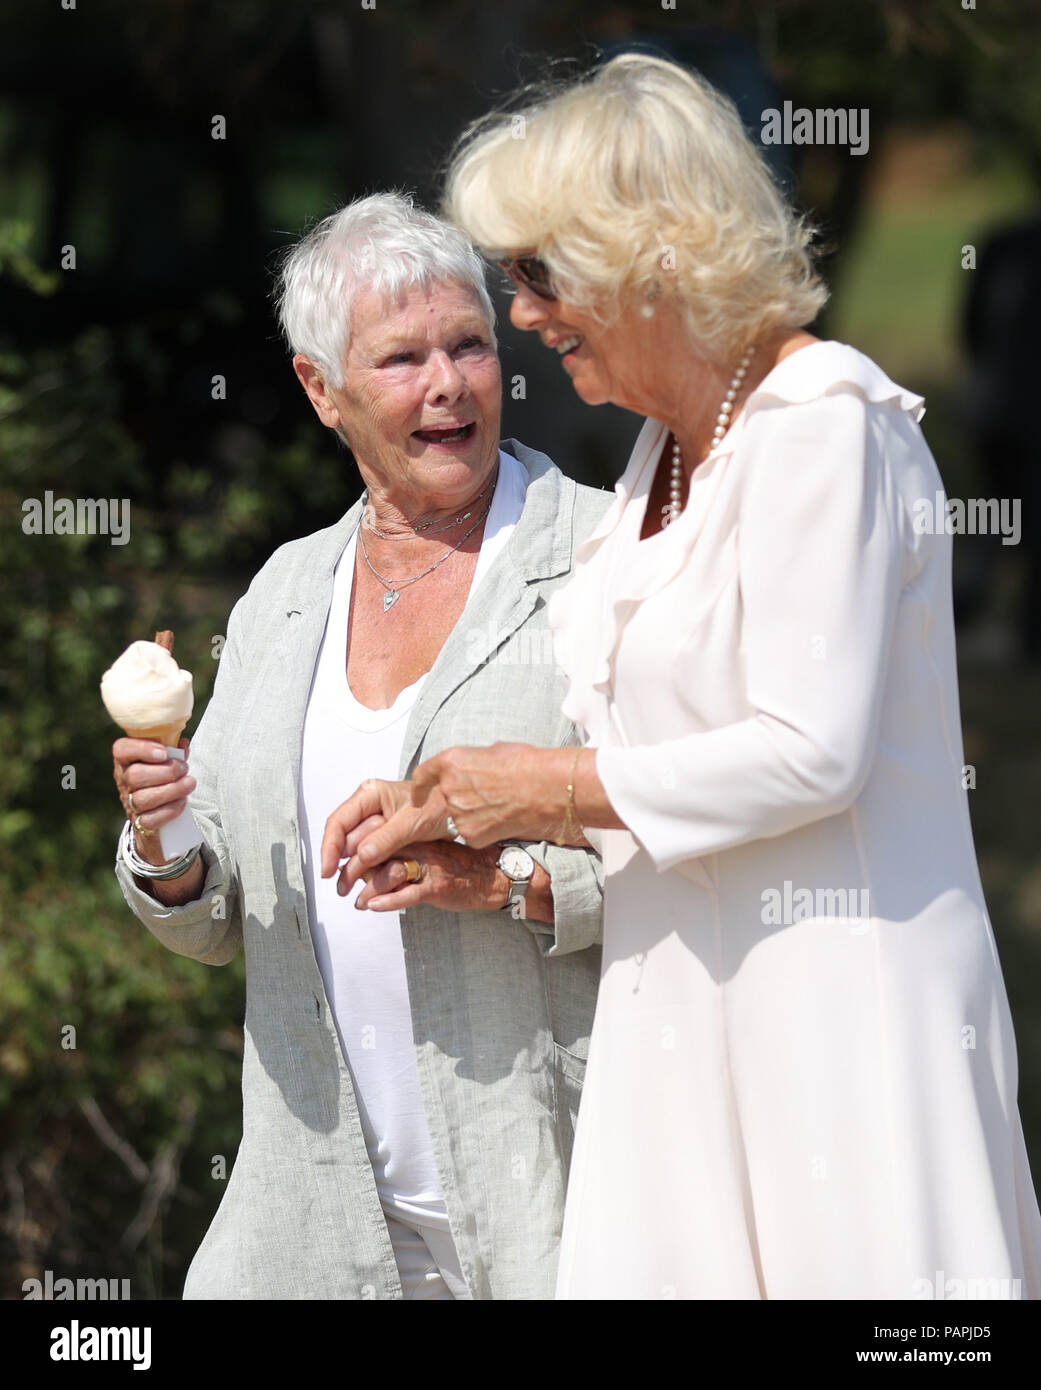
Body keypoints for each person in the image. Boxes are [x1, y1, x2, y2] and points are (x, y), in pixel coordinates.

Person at [326, 57, 1041, 1299]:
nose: (529, 315)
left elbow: (810, 751)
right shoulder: (666, 456)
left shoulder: (824, 426)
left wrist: (545, 787)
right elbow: (671, 774)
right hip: (680, 1034)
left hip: (837, 1033)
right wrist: (498, 869)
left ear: (644, 259)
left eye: (541, 275)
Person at [110, 192, 609, 1300]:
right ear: (318, 388)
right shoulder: (284, 593)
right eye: (402, 359)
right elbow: (221, 912)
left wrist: (509, 880)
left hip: (555, 1224)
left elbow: (709, 850)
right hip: (315, 1232)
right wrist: (168, 828)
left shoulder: (607, 560)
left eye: (470, 344)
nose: (448, 384)